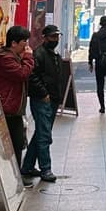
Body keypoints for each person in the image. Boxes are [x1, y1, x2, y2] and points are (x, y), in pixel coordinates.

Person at [0, 25, 34, 187]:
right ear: (13, 43)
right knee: (0, 143)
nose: (26, 46)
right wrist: (28, 58)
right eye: (23, 43)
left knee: (15, 142)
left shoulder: (11, 56)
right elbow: (21, 74)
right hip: (4, 108)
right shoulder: (6, 59)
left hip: (11, 108)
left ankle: (14, 176)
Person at [21, 25, 62, 183]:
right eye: (52, 37)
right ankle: (46, 168)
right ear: (45, 37)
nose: (56, 40)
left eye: (57, 37)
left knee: (40, 133)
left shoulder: (52, 54)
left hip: (51, 98)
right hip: (42, 99)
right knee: (44, 134)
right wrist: (43, 93)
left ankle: (28, 166)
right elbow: (32, 77)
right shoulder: (39, 54)